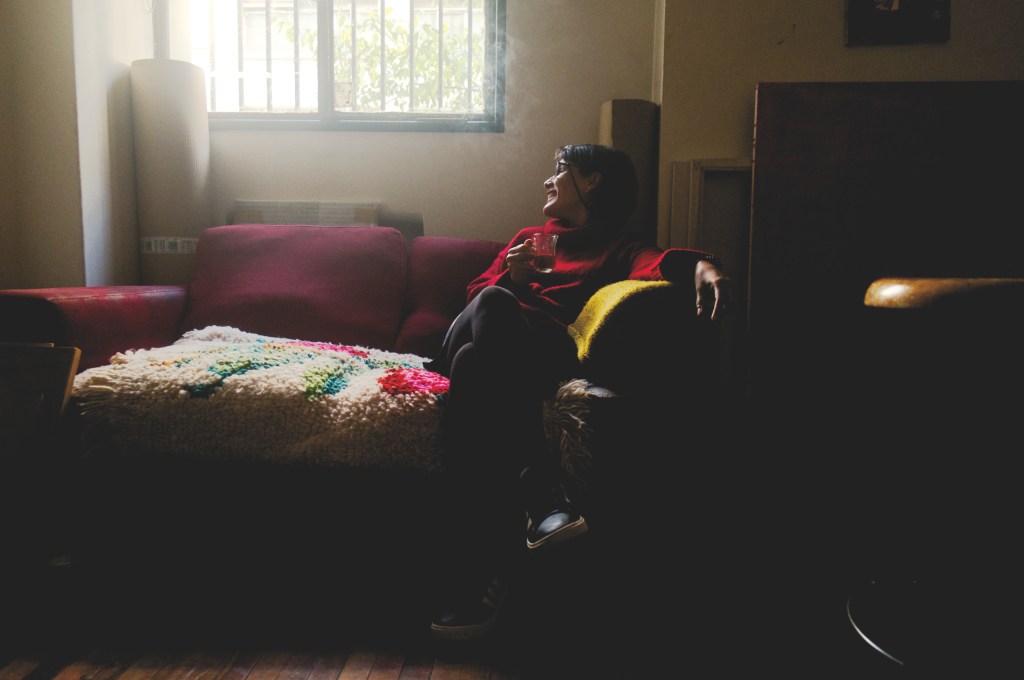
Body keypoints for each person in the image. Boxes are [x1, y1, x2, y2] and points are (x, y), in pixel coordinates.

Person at [425, 143, 734, 641]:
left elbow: (658, 264)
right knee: (491, 302)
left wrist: (706, 266)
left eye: (560, 171)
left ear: (593, 181)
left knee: (471, 365)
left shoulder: (619, 247)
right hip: (485, 325)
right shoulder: (528, 238)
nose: (549, 180)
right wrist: (511, 276)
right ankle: (538, 486)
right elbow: (473, 300)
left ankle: (481, 573)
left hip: (538, 350)